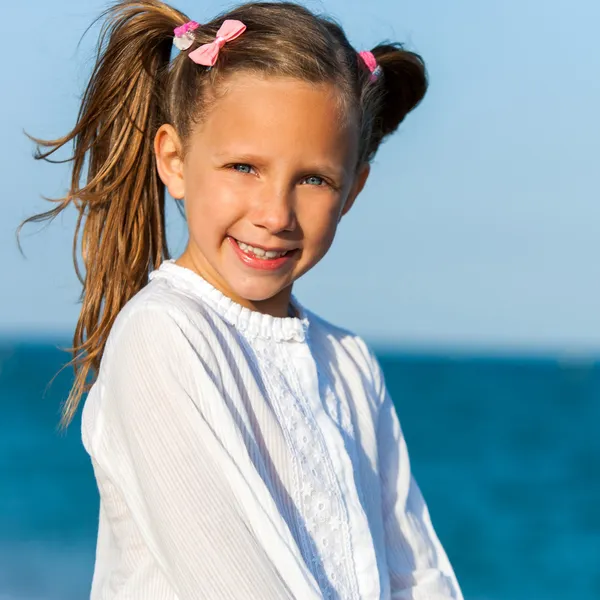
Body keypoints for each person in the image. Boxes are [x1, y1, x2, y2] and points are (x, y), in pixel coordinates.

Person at [24, 0, 464, 597]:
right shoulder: (163, 336)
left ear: (352, 189)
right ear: (174, 161)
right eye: (243, 166)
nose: (275, 214)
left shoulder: (350, 364)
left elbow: (419, 574)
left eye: (313, 179)